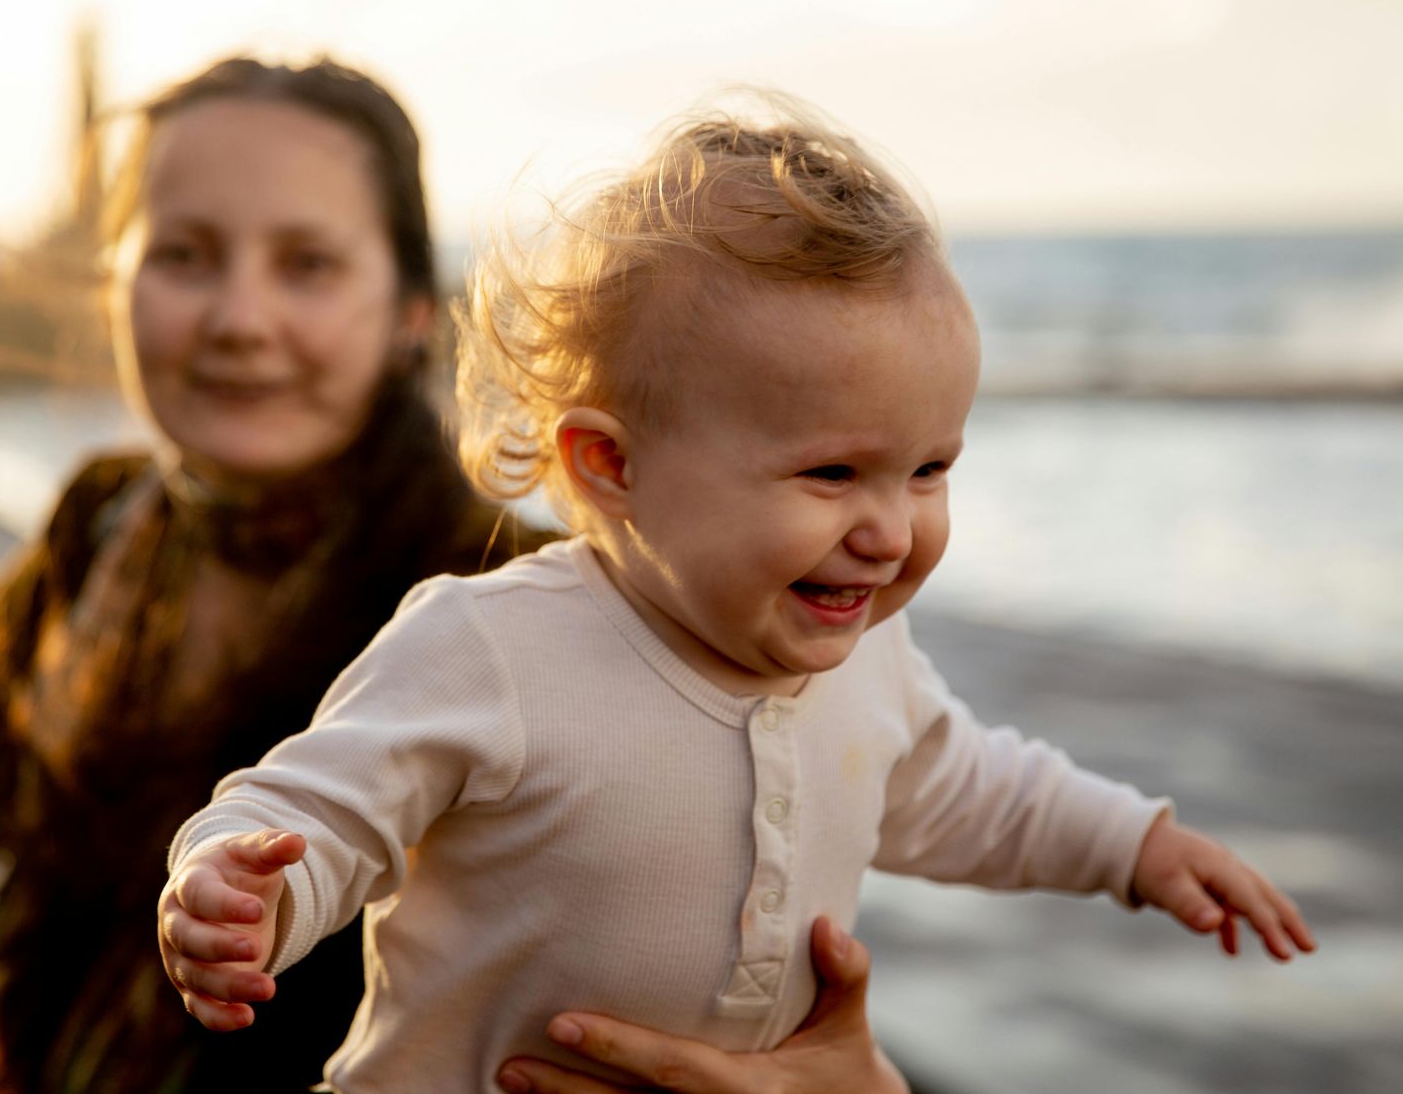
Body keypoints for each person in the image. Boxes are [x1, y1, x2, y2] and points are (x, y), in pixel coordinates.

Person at [0, 59, 903, 1092]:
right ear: (118, 285)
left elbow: (713, 924)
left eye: (307, 263)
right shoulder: (102, 522)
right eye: (184, 254)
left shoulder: (521, 595)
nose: (239, 317)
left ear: (411, 307)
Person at [157, 96, 1319, 1092]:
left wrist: (1135, 845)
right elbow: (327, 805)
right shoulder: (493, 645)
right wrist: (248, 890)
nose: (890, 527)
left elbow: (970, 788)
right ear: (611, 464)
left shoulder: (869, 662)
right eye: (830, 471)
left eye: (930, 468)